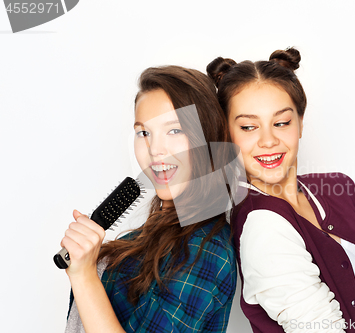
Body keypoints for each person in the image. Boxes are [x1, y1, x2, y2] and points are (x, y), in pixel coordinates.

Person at [207, 48, 355, 333]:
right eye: (248, 127)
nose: (268, 140)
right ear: (227, 135)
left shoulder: (341, 189)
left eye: (281, 122)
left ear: (301, 123)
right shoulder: (261, 224)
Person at [61, 66, 237, 333]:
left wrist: (84, 276)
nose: (155, 150)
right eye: (144, 133)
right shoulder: (144, 237)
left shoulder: (206, 250)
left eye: (174, 131)